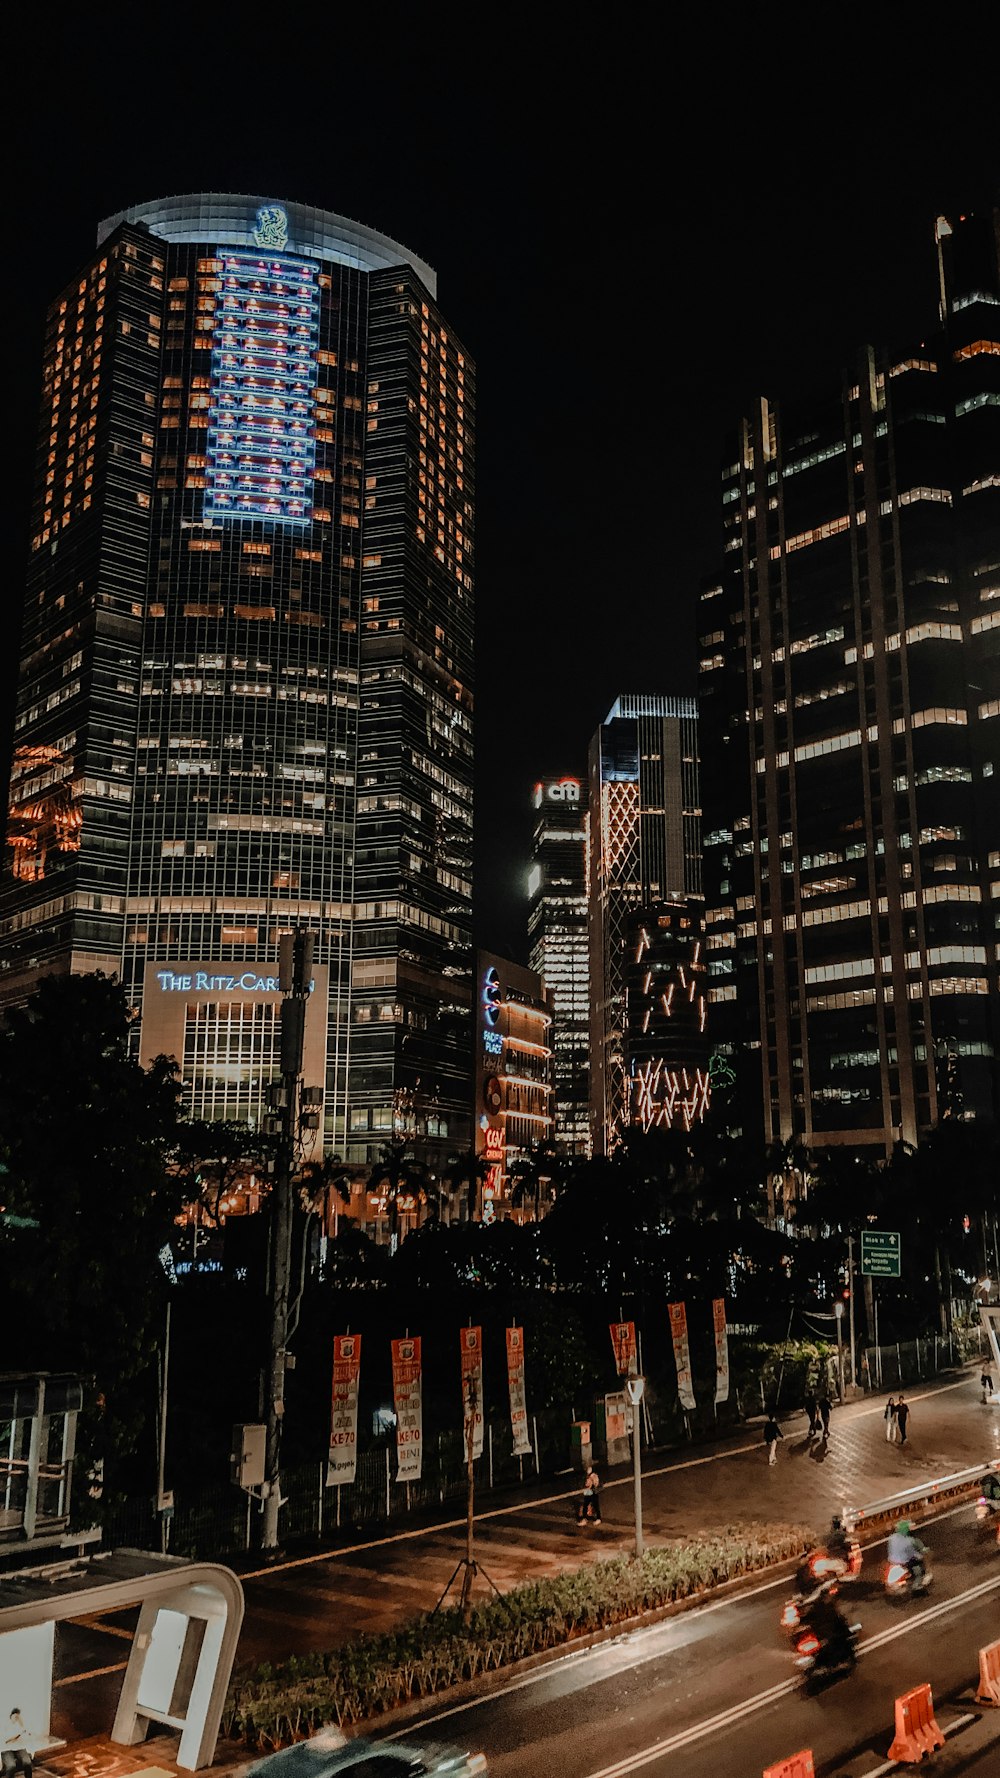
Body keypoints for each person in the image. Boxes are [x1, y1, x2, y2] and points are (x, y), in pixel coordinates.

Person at [887, 1518, 926, 1589]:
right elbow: (912, 1553)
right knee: (918, 1570)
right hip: (904, 1563)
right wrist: (920, 1555)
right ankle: (917, 1585)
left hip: (892, 1562)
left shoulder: (892, 1538)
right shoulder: (909, 1541)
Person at [2, 1711, 33, 1778]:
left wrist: (23, 1726)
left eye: (18, 1717)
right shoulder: (5, 1726)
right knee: (11, 1766)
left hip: (19, 1748)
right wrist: (19, 1734)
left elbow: (29, 1735)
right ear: (10, 1716)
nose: (17, 1718)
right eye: (15, 1717)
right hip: (6, 1749)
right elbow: (7, 1740)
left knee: (27, 1762)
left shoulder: (21, 1726)